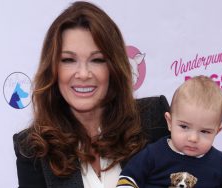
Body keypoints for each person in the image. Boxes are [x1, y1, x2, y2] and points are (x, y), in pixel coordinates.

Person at [13, 1, 169, 188]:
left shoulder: (154, 120)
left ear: (114, 67)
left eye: (97, 60)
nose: (84, 74)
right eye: (68, 60)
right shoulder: (33, 148)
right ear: (53, 68)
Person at [117, 75, 222, 188]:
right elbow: (128, 179)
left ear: (217, 132)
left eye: (204, 131)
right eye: (184, 127)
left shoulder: (219, 163)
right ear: (169, 122)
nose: (193, 138)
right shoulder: (153, 154)